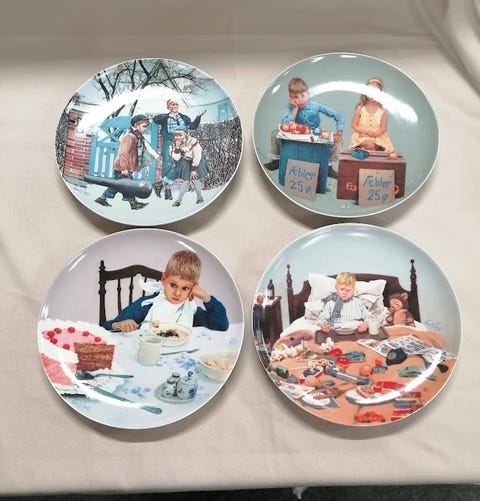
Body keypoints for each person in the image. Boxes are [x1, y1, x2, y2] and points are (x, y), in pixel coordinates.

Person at [103, 250, 228, 333]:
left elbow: (222, 324)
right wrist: (119, 325)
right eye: (173, 285)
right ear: (164, 279)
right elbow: (108, 325)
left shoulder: (190, 310)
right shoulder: (147, 305)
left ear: (192, 288)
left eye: (185, 288)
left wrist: (206, 297)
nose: (177, 293)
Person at [264, 77, 344, 178]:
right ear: (291, 98)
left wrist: (339, 132)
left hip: (314, 134)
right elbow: (285, 124)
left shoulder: (316, 106)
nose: (300, 99)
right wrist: (295, 108)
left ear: (308, 94)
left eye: (303, 95)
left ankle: (328, 166)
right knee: (275, 134)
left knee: (338, 142)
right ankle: (277, 160)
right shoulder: (289, 107)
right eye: (296, 97)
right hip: (296, 135)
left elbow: (337, 115)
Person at [95, 114, 152, 210]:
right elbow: (123, 153)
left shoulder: (137, 137)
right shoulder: (129, 137)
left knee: (117, 186)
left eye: (146, 126)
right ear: (136, 125)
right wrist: (124, 168)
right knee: (128, 186)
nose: (145, 129)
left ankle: (102, 198)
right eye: (144, 126)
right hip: (122, 167)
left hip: (126, 167)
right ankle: (133, 203)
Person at [153, 99, 206, 200]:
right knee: (167, 162)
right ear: (168, 107)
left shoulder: (183, 117)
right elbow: (155, 119)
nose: (174, 106)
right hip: (168, 141)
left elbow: (193, 126)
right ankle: (167, 189)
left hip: (181, 143)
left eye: (176, 104)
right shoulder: (164, 118)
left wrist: (198, 117)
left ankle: (160, 184)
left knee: (181, 164)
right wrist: (168, 116)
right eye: (172, 104)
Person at [349, 77, 395, 152]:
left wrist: (374, 134)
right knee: (368, 143)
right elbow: (353, 125)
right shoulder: (361, 108)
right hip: (362, 135)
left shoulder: (383, 110)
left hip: (377, 137)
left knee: (378, 146)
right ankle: (365, 149)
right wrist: (364, 132)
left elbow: (383, 128)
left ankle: (371, 150)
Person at [169, 125, 208, 207]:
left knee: (194, 178)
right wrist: (177, 148)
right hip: (186, 160)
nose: (177, 137)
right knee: (185, 180)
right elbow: (176, 158)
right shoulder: (174, 143)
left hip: (196, 160)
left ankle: (199, 197)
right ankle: (179, 200)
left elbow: (197, 155)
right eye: (176, 135)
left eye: (180, 135)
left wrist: (193, 169)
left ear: (185, 135)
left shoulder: (193, 141)